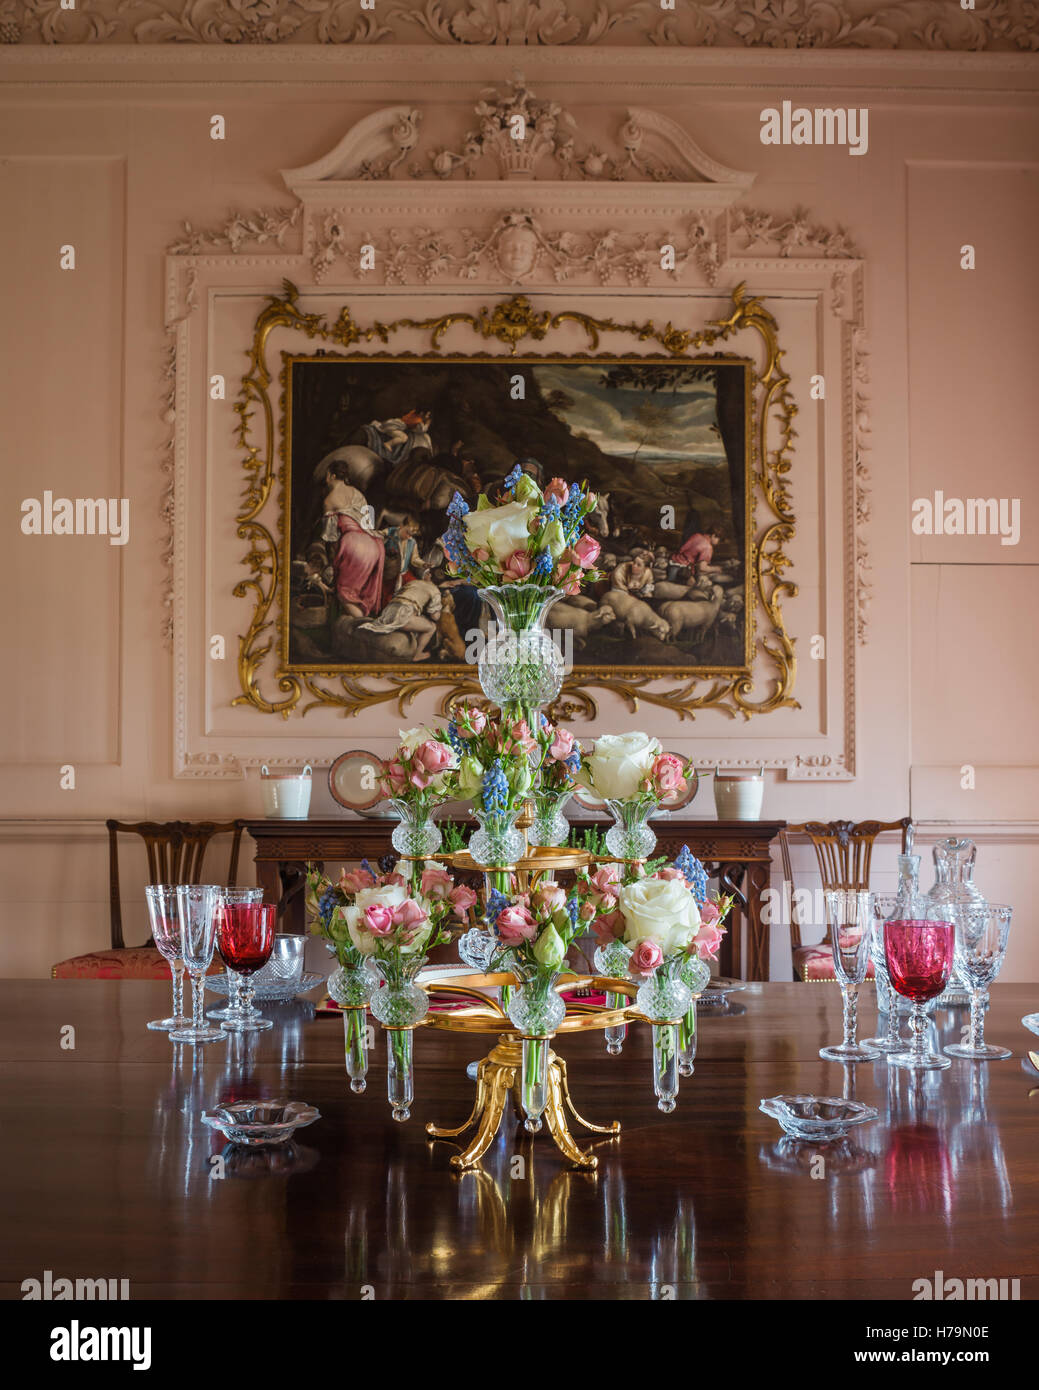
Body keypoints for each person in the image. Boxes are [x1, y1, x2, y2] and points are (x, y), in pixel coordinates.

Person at [323, 463, 385, 618]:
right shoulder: (358, 494)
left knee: (344, 593)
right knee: (358, 592)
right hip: (373, 545)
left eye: (327, 476)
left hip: (353, 543)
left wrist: (333, 559)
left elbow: (330, 535)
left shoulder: (329, 500)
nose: (326, 480)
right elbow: (368, 523)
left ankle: (363, 625)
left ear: (332, 476)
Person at [359, 576, 442, 661]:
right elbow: (434, 616)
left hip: (389, 610)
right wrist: (439, 611)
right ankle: (417, 654)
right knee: (432, 627)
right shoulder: (435, 591)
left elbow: (396, 594)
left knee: (418, 618)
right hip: (404, 614)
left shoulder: (414, 582)